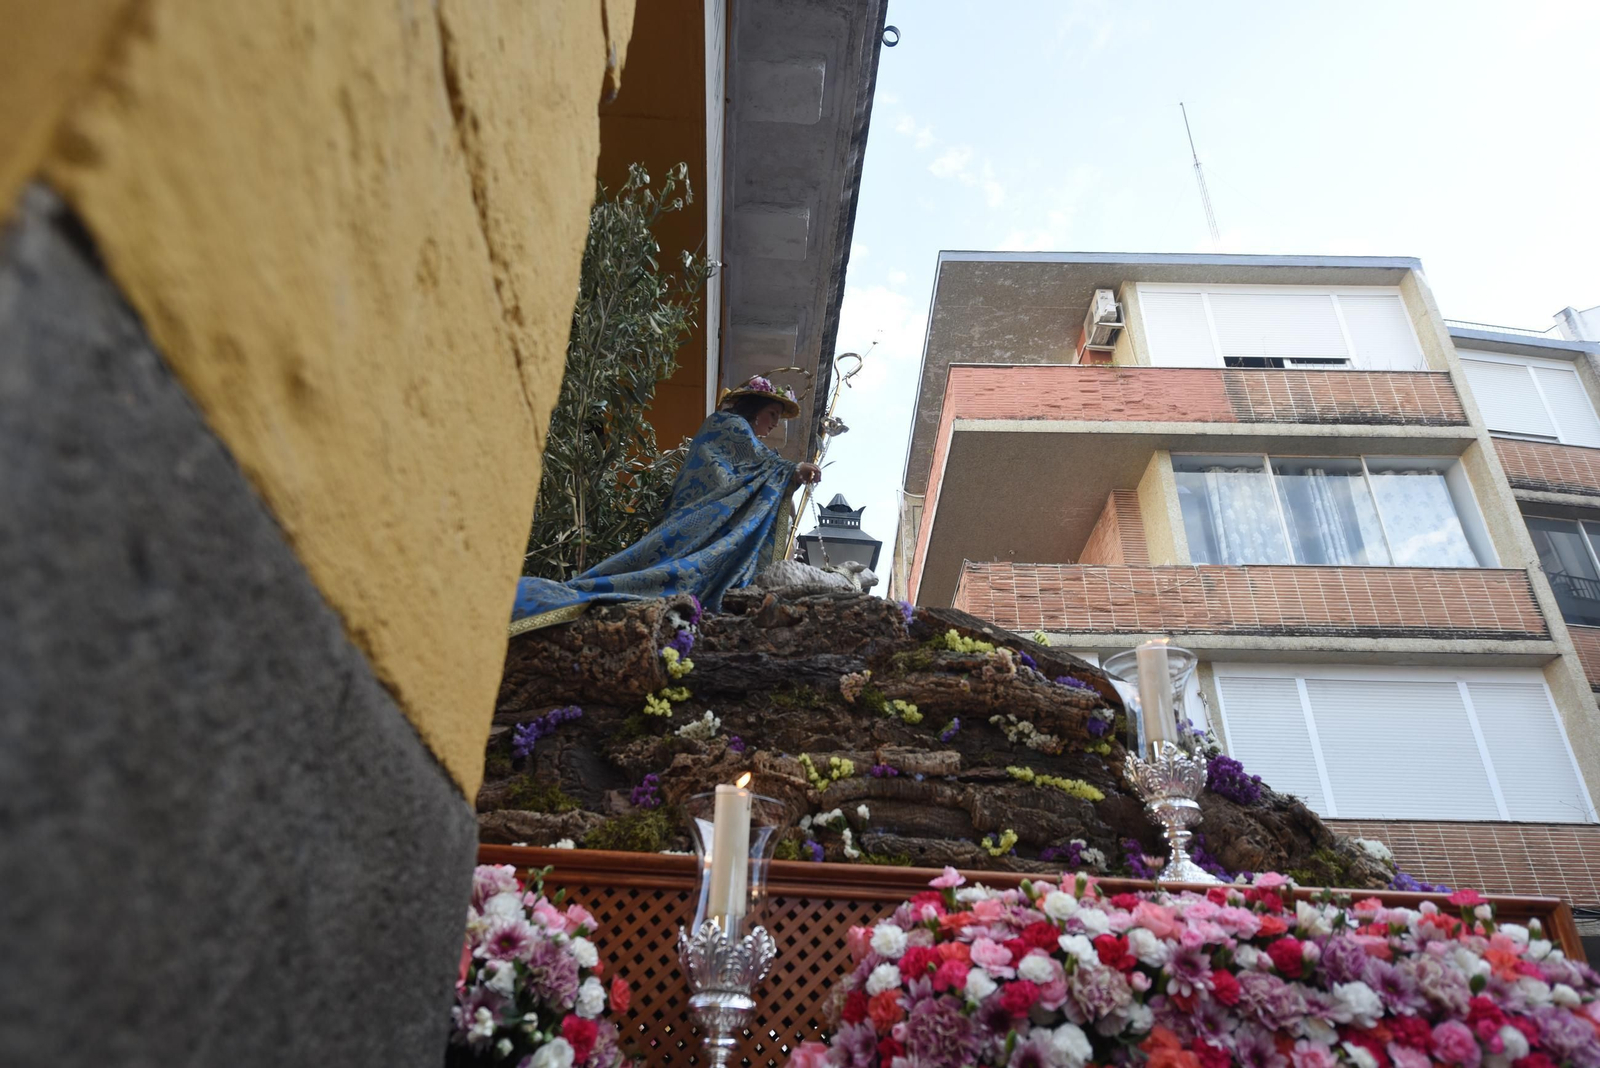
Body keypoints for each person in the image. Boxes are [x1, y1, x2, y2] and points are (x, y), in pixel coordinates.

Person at [509, 376, 822, 634]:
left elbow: (750, 476)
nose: (774, 425)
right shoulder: (728, 425)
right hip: (700, 520)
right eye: (772, 415)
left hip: (708, 519)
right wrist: (791, 471)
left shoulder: (748, 446)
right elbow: (749, 469)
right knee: (669, 568)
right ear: (755, 408)